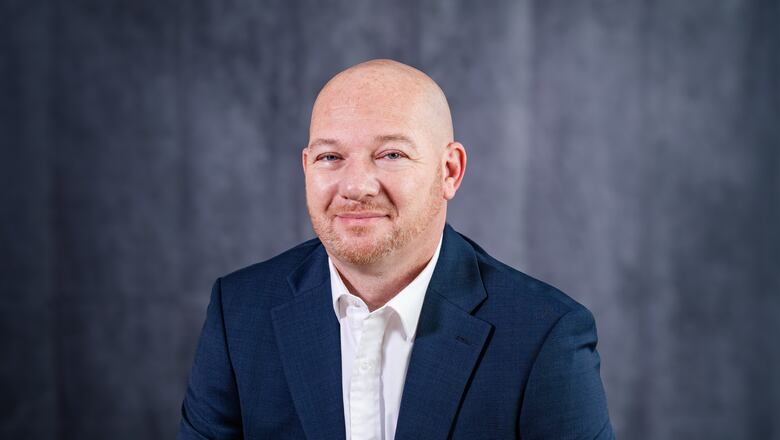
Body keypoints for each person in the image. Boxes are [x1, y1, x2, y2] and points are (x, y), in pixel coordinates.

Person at [178, 59, 614, 440]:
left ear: (450, 171)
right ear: (307, 167)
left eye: (391, 154)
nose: (355, 186)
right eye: (331, 157)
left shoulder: (545, 335)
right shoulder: (238, 313)